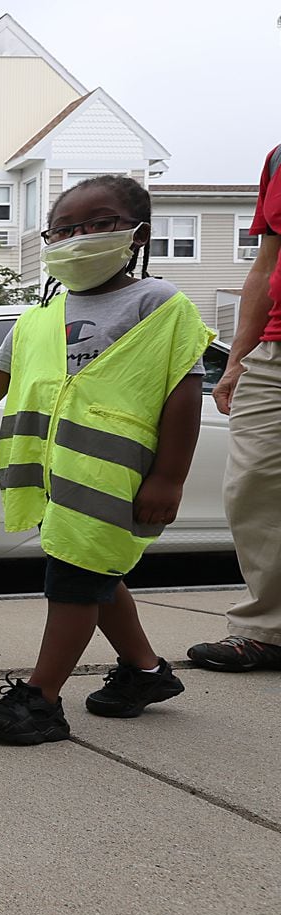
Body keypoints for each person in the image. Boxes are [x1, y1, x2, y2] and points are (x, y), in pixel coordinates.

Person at [0, 175, 210, 744]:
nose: (80, 237)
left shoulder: (159, 304)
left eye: (99, 224)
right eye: (65, 228)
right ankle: (145, 671)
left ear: (137, 234)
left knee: (73, 577)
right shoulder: (39, 316)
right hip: (58, 478)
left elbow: (182, 392)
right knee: (96, 571)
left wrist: (169, 478)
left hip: (118, 478)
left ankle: (41, 700)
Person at [187, 145, 281, 673]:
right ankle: (269, 630)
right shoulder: (278, 160)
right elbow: (266, 262)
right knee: (253, 487)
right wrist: (237, 359)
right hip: (275, 347)